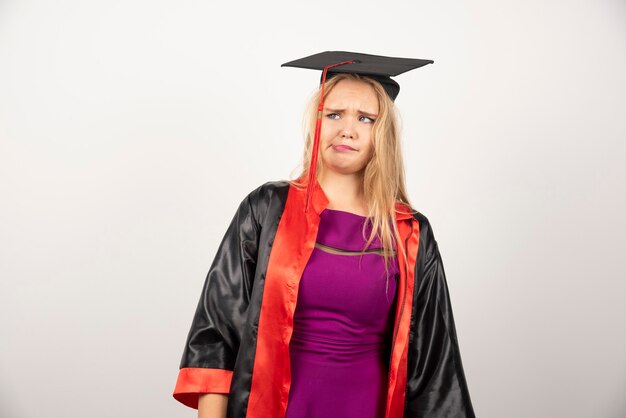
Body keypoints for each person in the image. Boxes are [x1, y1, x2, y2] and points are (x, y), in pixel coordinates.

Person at [172, 51, 476, 418]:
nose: (346, 129)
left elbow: (434, 366)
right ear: (316, 123)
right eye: (334, 114)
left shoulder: (410, 233)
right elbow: (217, 336)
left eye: (365, 118)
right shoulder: (267, 210)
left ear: (382, 135)